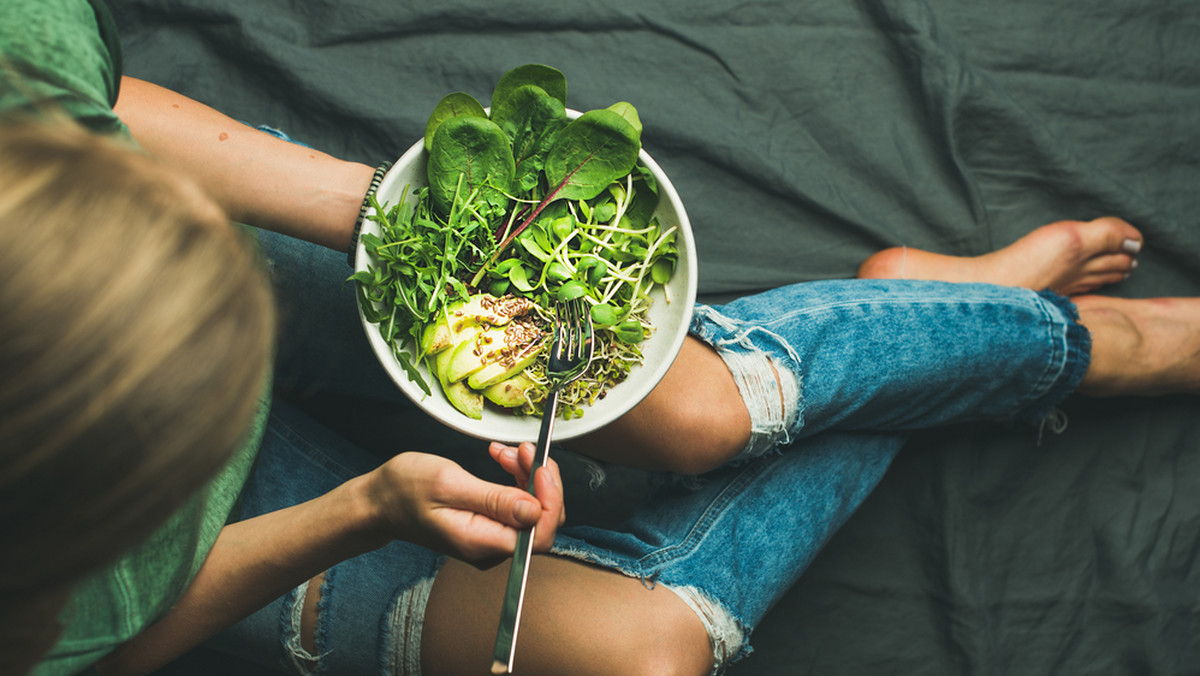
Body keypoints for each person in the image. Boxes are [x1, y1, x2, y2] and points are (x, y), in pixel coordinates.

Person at [6, 2, 1200, 676]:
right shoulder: (47, 595)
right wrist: (360, 508)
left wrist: (399, 224)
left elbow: (89, 104)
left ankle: (1075, 343)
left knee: (693, 413)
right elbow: (101, 647)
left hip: (211, 236)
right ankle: (944, 322)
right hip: (165, 519)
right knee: (642, 656)